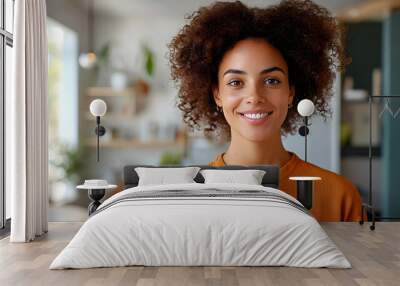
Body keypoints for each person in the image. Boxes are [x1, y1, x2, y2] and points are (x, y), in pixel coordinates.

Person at [168, 0, 362, 221]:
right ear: (217, 95)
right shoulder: (187, 197)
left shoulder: (340, 197)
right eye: (235, 82)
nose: (254, 97)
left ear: (290, 92)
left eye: (271, 81)